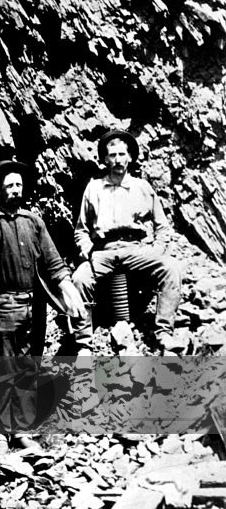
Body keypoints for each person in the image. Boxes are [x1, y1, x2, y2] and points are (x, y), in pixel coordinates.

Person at [0, 160, 86, 454]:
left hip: (33, 305)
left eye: (18, 185)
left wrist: (66, 285)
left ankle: (22, 431)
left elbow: (51, 259)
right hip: (5, 303)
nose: (15, 190)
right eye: (9, 186)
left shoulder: (34, 222)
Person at [70, 130, 182, 355]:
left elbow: (162, 226)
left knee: (172, 268)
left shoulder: (142, 187)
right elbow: (81, 231)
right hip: (104, 251)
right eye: (112, 155)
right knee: (79, 279)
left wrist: (157, 250)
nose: (118, 160)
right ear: (104, 159)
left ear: (130, 157)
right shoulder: (93, 189)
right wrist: (87, 251)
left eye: (122, 154)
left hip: (136, 249)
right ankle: (84, 343)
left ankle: (164, 333)